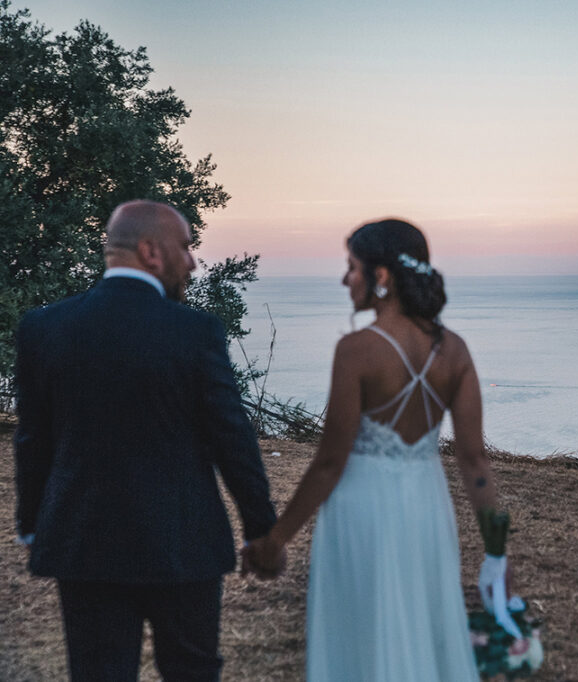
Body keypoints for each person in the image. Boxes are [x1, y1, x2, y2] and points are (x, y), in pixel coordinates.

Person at [14, 200, 280, 681]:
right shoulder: (194, 331)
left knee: (98, 674)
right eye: (186, 247)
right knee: (192, 672)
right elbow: (231, 439)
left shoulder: (44, 328)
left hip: (83, 540)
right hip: (184, 540)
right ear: (151, 252)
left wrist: (33, 525)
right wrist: (262, 530)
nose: (193, 261)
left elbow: (34, 440)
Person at [243, 218, 519, 681]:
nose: (345, 279)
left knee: (362, 635)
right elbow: (475, 461)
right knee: (422, 626)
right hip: (427, 509)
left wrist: (275, 539)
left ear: (382, 276)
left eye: (351, 267)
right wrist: (497, 554)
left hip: (362, 508)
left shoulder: (357, 350)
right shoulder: (455, 351)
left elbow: (330, 462)